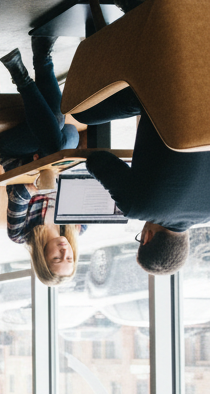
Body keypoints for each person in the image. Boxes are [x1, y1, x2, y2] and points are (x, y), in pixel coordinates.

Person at [73, 87, 210, 275]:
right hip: (165, 90)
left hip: (203, 89)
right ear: (146, 238)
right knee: (82, 112)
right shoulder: (137, 207)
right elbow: (97, 160)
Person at [0, 39, 86, 286]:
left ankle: (40, 58)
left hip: (17, 152)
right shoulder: (78, 227)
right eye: (69, 257)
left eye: (58, 258)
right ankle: (23, 74)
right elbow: (82, 182)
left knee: (56, 126)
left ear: (42, 259)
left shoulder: (20, 234)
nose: (64, 251)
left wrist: (40, 174)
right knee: (57, 138)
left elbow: (19, 194)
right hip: (61, 148)